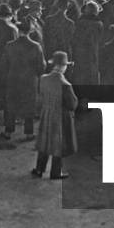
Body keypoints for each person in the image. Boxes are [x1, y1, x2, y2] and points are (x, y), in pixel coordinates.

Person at [32, 51, 78, 180]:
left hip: (46, 114)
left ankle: (39, 169)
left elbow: (40, 97)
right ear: (63, 66)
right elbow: (72, 104)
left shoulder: (43, 78)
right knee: (59, 145)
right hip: (60, 117)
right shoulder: (65, 85)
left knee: (44, 143)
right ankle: (56, 172)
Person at [2, 19, 46, 139]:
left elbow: (4, 64)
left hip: (13, 79)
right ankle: (29, 133)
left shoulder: (9, 45)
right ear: (30, 31)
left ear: (19, 30)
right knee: (29, 106)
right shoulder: (36, 46)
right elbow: (41, 67)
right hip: (29, 80)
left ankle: (8, 132)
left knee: (11, 105)